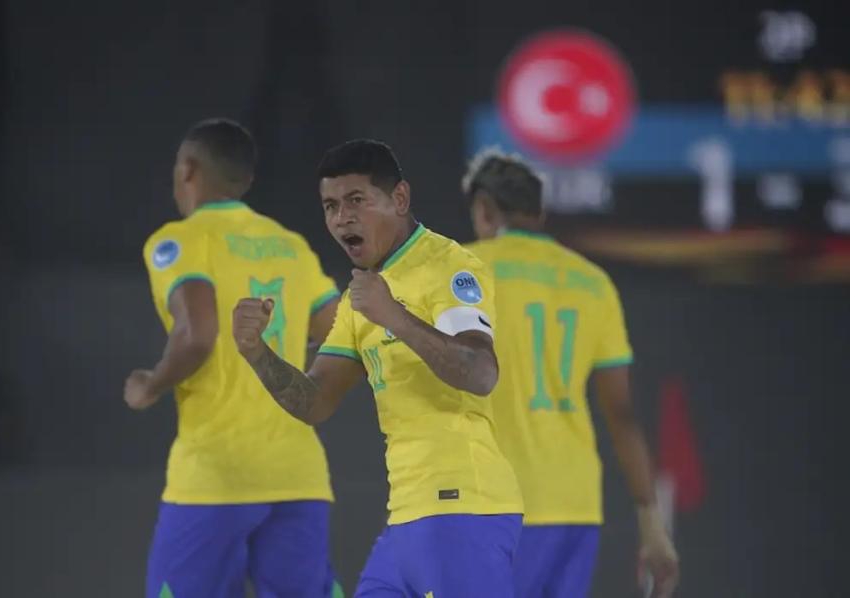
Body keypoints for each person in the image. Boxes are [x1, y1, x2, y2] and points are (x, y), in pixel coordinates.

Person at [233, 139, 524, 597]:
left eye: (356, 201)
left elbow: (480, 371)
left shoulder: (448, 267)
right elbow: (316, 401)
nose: (341, 218)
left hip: (462, 507)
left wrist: (393, 315)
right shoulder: (360, 297)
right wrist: (257, 353)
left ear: (400, 199)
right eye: (330, 206)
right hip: (406, 518)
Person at [123, 118, 343, 598]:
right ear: (245, 181)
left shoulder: (180, 241)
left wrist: (152, 384)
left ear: (188, 170)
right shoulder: (291, 245)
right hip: (298, 474)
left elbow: (198, 335)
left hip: (216, 476)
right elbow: (338, 331)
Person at [461, 149, 680, 598]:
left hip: (495, 504)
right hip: (576, 507)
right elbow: (621, 416)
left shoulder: (463, 270)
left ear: (483, 211)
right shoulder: (593, 282)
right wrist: (653, 526)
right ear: (539, 212)